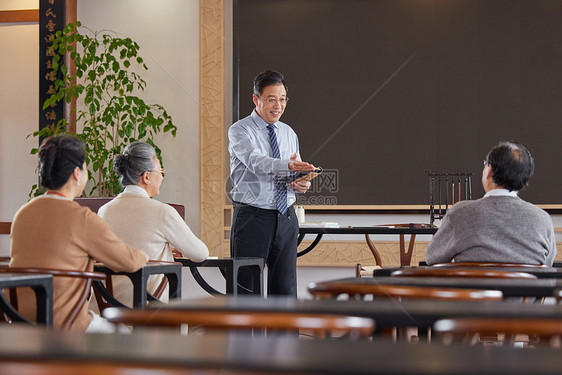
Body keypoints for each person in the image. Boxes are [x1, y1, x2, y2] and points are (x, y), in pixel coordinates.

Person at [10, 134, 148, 332]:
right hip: (67, 325)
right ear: (77, 173)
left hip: (18, 323)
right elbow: (128, 261)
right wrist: (143, 255)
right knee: (125, 335)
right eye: (84, 167)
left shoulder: (23, 213)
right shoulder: (81, 217)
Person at [228, 70, 315, 297]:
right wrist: (288, 166)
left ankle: (284, 335)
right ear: (256, 99)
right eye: (271, 99)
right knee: (247, 293)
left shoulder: (289, 132)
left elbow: (291, 170)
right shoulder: (240, 130)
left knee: (285, 292)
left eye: (283, 99)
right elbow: (256, 162)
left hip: (286, 218)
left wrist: (300, 183)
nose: (279, 105)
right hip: (252, 219)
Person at [97, 141, 208, 305]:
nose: (162, 177)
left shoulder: (104, 211)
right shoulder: (163, 212)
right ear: (147, 177)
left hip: (108, 309)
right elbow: (201, 254)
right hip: (149, 314)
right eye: (160, 171)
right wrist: (170, 250)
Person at [425, 141, 556, 266]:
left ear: (489, 170)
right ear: (525, 177)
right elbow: (548, 264)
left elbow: (432, 257)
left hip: (474, 289)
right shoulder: (543, 220)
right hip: (526, 290)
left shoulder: (460, 213)